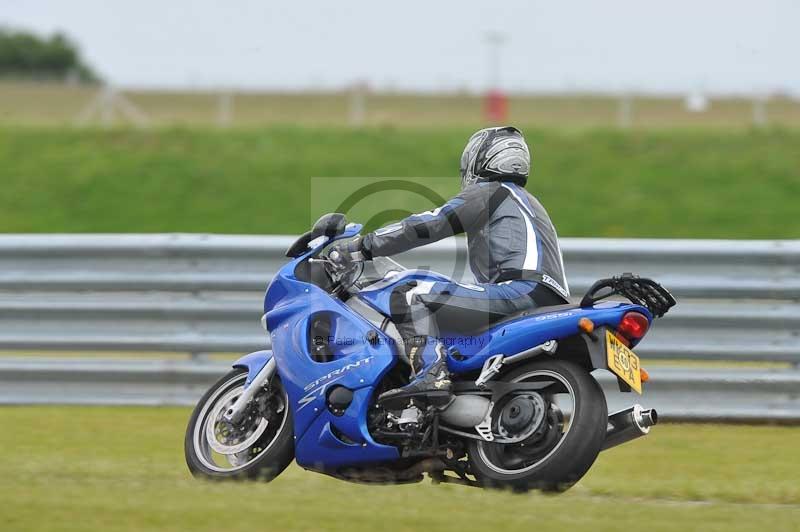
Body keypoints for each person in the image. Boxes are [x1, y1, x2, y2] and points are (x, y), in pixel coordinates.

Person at [336, 126, 570, 406]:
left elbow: (429, 225)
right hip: (554, 301)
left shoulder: (489, 192)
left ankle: (431, 373)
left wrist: (363, 246)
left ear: (478, 158)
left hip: (519, 290)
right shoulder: (532, 204)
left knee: (410, 294)